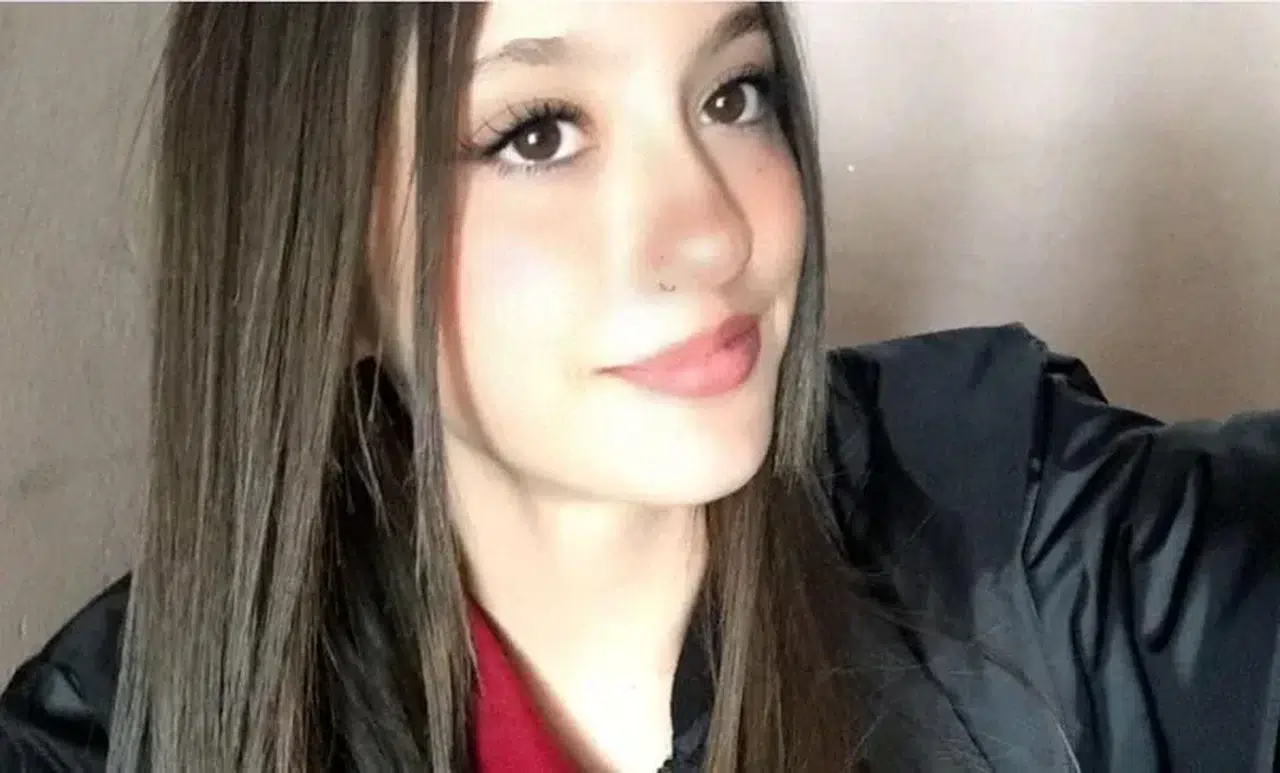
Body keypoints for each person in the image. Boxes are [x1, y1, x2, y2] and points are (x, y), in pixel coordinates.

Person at [2, 2, 1278, 771]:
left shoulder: (1019, 535)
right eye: (536, 133)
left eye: (732, 93)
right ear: (318, 251)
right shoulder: (118, 728)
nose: (712, 233)